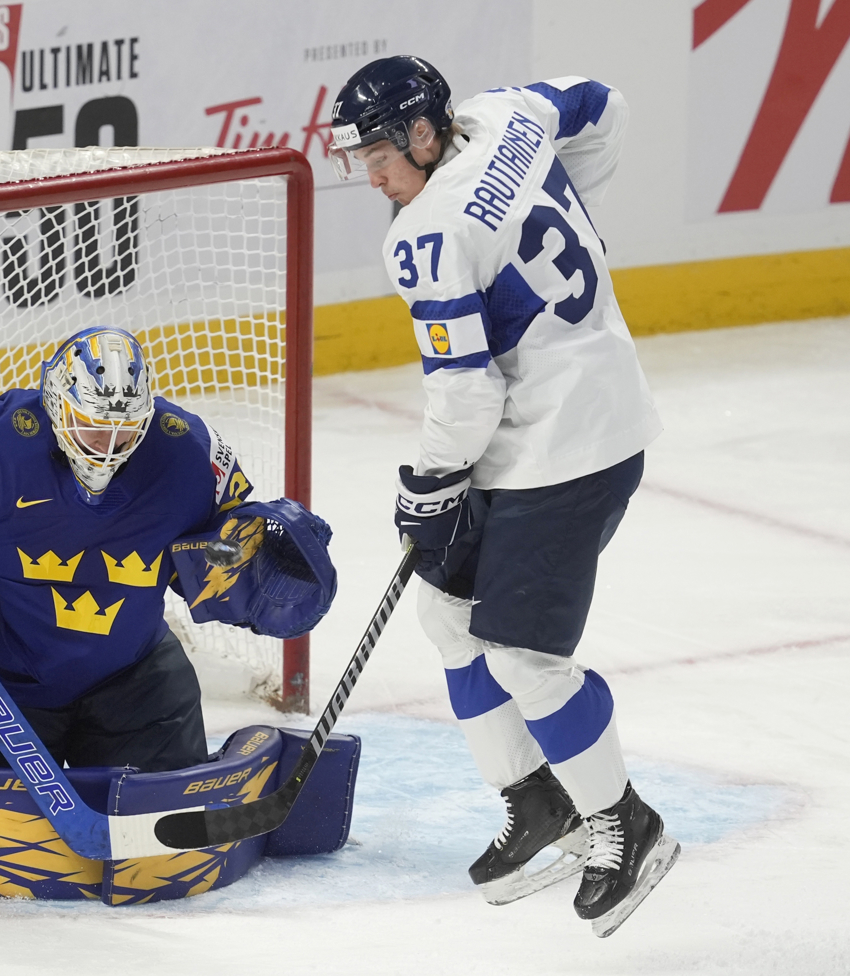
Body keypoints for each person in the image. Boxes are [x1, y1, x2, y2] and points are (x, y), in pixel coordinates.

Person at [329, 57, 679, 937]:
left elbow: (468, 395)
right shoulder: (507, 115)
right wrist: (574, 218)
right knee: (449, 613)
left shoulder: (426, 234)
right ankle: (538, 799)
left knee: (522, 657)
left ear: (420, 132)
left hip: (570, 447)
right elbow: (605, 102)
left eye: (378, 152)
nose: (369, 174)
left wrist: (429, 483)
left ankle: (625, 824)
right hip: (549, 425)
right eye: (357, 156)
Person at [0, 326, 333, 774]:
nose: (108, 446)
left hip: (133, 681)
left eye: (126, 430)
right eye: (92, 427)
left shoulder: (190, 450)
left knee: (166, 818)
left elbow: (225, 538)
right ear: (56, 403)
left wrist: (260, 565)